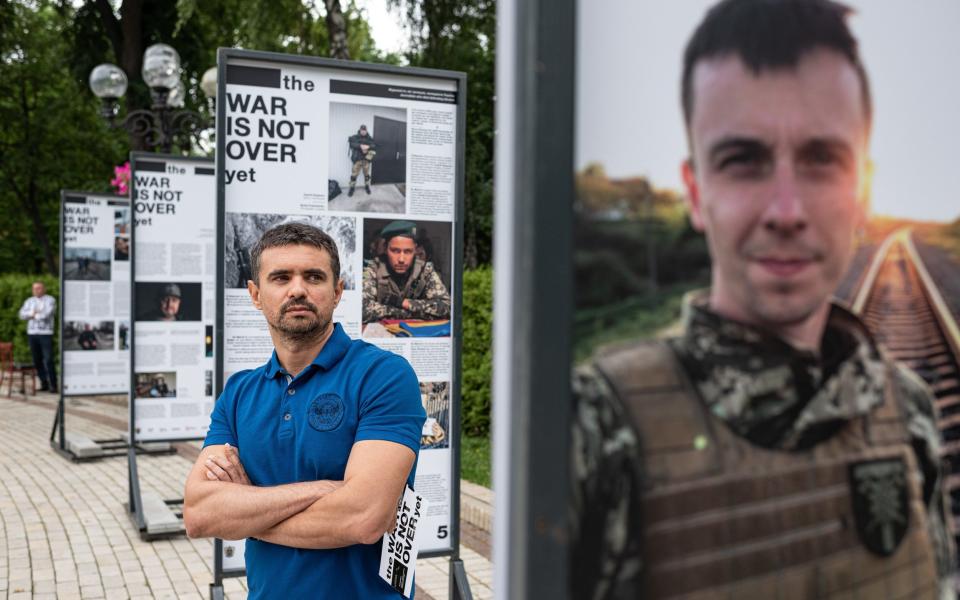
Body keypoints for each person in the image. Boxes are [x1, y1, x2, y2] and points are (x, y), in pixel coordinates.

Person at [570, 1, 957, 598]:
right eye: (743, 161)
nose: (786, 212)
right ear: (697, 192)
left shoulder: (909, 412)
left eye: (822, 160)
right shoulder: (590, 433)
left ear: (863, 192)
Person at [183, 222, 425, 599]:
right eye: (280, 277)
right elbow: (200, 514)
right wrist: (326, 490)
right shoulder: (238, 393)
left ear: (337, 291)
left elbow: (363, 518)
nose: (298, 289)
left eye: (314, 276)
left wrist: (246, 515)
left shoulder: (383, 376)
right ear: (255, 294)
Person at [362, 220, 451, 324]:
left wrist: (404, 303)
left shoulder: (425, 270)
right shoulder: (373, 269)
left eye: (408, 251)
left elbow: (446, 307)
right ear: (385, 249)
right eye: (395, 251)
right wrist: (411, 312)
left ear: (415, 250)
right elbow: (363, 310)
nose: (401, 259)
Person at [17, 281, 57, 392]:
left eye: (39, 288)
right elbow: (21, 314)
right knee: (37, 360)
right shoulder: (29, 301)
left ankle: (53, 385)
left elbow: (46, 315)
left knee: (48, 359)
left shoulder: (51, 300)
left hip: (46, 333)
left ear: (44, 289)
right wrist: (32, 314)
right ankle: (44, 383)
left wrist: (32, 314)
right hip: (32, 333)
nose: (36, 290)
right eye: (34, 288)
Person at [348, 124, 377, 197]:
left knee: (367, 175)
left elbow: (374, 146)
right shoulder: (355, 137)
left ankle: (367, 186)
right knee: (354, 175)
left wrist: (368, 146)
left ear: (366, 131)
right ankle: (352, 188)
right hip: (357, 159)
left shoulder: (369, 138)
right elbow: (351, 144)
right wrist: (360, 146)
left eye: (364, 130)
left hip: (366, 160)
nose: (363, 131)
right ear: (360, 130)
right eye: (362, 130)